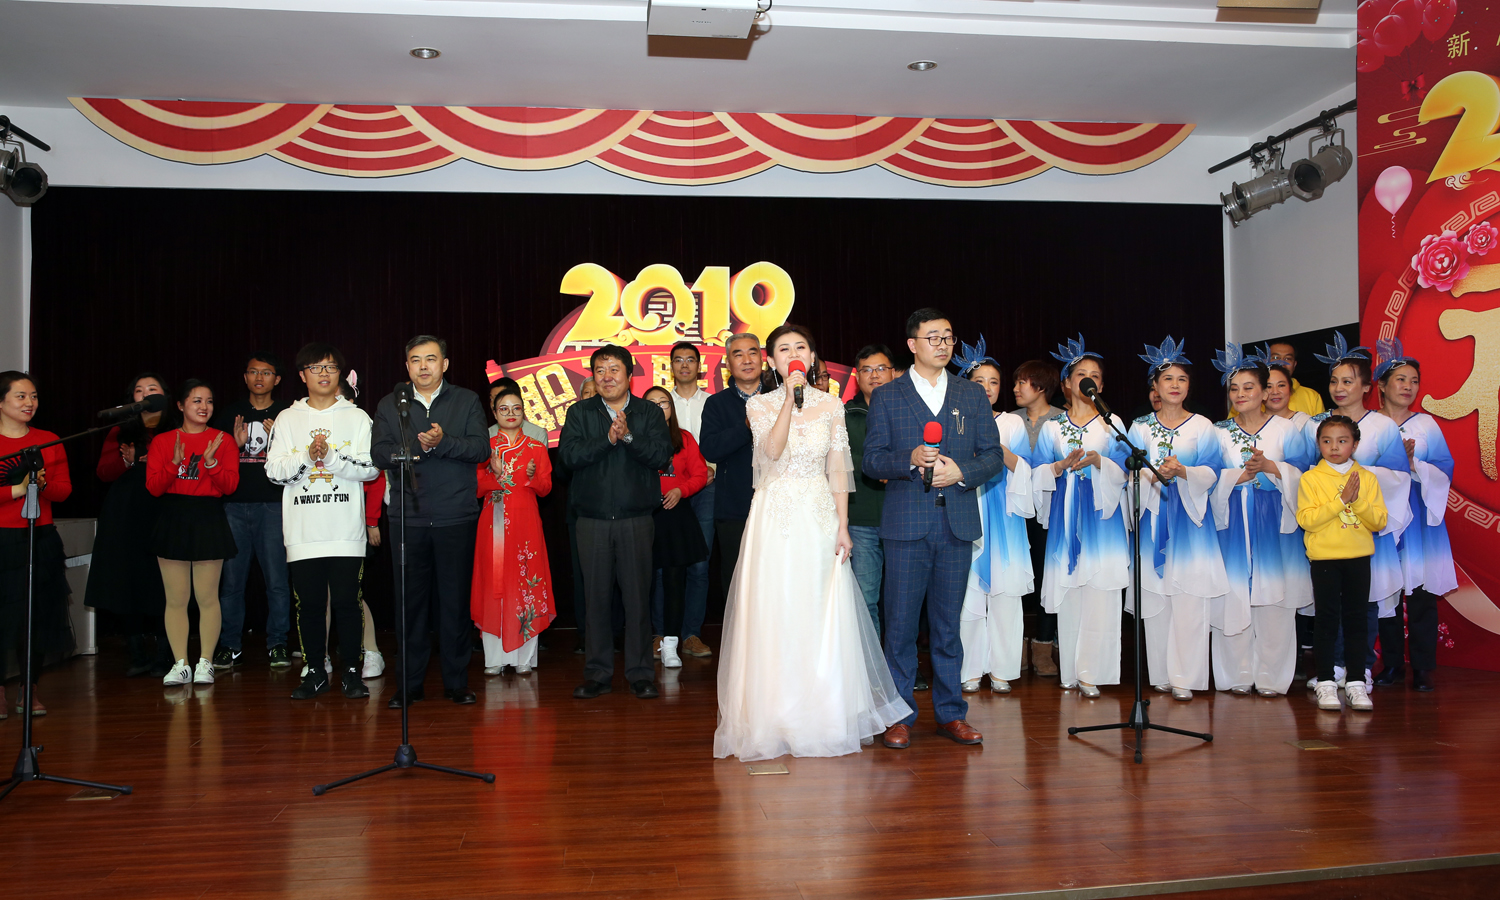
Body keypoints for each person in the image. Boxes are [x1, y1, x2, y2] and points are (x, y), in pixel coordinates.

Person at [715, 323, 909, 759]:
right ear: (772, 361)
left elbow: (838, 468)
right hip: (774, 516)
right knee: (775, 609)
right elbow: (771, 453)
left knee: (821, 608)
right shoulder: (759, 405)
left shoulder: (832, 406)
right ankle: (774, 714)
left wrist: (843, 525)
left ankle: (825, 712)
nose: (793, 355)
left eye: (800, 347)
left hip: (820, 514)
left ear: (813, 356)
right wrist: (788, 399)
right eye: (784, 349)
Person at [863, 309, 1004, 749]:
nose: (942, 345)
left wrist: (961, 471)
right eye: (933, 338)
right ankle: (898, 715)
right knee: (900, 627)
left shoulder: (971, 394)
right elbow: (872, 461)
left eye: (948, 337)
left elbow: (993, 456)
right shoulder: (888, 396)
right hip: (905, 527)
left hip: (956, 524)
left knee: (947, 627)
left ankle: (951, 714)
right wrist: (908, 459)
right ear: (912, 344)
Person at [371, 335, 491, 707]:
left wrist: (443, 442)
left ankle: (456, 682)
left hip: (456, 516)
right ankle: (409, 685)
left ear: (444, 364)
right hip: (408, 518)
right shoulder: (391, 404)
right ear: (407, 366)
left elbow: (481, 448)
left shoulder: (466, 400)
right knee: (410, 606)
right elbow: (378, 453)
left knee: (454, 604)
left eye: (431, 359)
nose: (423, 366)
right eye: (416, 360)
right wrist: (414, 450)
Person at [265, 344, 378, 700]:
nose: (324, 374)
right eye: (315, 368)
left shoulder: (357, 418)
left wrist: (330, 457)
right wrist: (306, 456)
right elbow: (273, 471)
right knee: (310, 605)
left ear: (340, 374)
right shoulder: (287, 419)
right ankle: (315, 670)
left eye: (330, 367)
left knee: (347, 602)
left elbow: (371, 468)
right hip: (303, 532)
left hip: (345, 531)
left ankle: (351, 673)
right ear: (302, 375)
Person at [559, 345, 673, 700]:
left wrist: (627, 436)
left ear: (629, 375)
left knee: (638, 598)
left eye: (614, 370)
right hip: (591, 520)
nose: (606, 377)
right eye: (600, 370)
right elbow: (569, 456)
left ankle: (640, 673)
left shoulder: (648, 412)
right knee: (595, 599)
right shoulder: (579, 412)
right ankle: (597, 673)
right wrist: (607, 439)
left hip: (636, 519)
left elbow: (661, 455)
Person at [1303, 334, 1411, 687]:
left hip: (1366, 526)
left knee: (1363, 599)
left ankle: (1359, 665)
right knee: (1329, 602)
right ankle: (1331, 666)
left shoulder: (1382, 426)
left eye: (1347, 381)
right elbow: (1305, 472)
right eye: (1334, 381)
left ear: (1366, 387)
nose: (1339, 388)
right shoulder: (1315, 425)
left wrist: (1358, 479)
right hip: (1326, 527)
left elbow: (1399, 475)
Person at [1122, 339, 1228, 702]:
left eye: (1182, 379)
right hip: (1153, 518)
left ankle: (1186, 677)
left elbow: (1213, 471)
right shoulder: (1139, 428)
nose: (1175, 385)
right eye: (1167, 378)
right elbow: (1128, 471)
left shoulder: (1203, 426)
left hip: (1191, 521)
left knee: (1190, 597)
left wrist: (1183, 471)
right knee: (1157, 598)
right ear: (1155, 385)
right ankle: (1162, 674)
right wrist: (1152, 475)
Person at [1030, 336, 1130, 699]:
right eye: (1081, 375)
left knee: (1101, 594)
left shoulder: (1112, 423)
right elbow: (1036, 472)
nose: (1089, 380)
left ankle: (1093, 673)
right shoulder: (1053, 428)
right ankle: (1071, 671)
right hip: (1066, 517)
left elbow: (1126, 470)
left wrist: (1100, 461)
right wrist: (1058, 466)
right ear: (1067, 384)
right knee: (1070, 594)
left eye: (1095, 376)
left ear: (1100, 386)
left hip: (1102, 519)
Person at [1210, 346, 1312, 697]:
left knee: (1275, 601)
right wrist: (1238, 476)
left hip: (1275, 522)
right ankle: (1235, 675)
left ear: (1265, 392)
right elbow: (1208, 475)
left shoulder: (1287, 429)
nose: (1240, 394)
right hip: (1233, 522)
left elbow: (1304, 473)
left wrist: (1270, 467)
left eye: (1249, 387)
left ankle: (1271, 677)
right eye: (1234, 388)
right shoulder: (1218, 432)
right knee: (1233, 595)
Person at [1374, 340, 1456, 692]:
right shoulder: (1369, 424)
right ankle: (1392, 664)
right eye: (1401, 379)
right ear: (1381, 385)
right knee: (1386, 590)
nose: (1408, 387)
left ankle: (1422, 668)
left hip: (1419, 515)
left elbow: (1444, 467)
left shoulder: (1426, 424)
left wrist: (1413, 465)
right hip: (1381, 516)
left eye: (1414, 381)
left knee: (1420, 593)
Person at [952, 338, 1033, 695]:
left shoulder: (1012, 423)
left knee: (1006, 595)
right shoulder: (954, 419)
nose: (987, 388)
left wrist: (997, 451)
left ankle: (1002, 670)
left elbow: (1028, 470)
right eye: (979, 381)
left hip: (1004, 514)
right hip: (965, 510)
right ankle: (969, 669)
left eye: (994, 382)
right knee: (965, 596)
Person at [146, 379, 239, 687]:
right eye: (197, 400)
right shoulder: (163, 441)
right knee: (176, 599)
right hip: (173, 517)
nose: (204, 407)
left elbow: (230, 486)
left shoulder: (224, 440)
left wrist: (211, 463)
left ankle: (206, 662)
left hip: (208, 517)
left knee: (207, 597)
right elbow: (153, 487)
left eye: (209, 401)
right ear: (180, 405)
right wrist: (174, 464)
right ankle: (181, 664)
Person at [87, 373, 178, 678]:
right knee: (128, 580)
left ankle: (166, 654)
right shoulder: (119, 429)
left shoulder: (177, 428)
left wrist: (158, 462)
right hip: (127, 513)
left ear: (165, 395)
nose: (145, 394)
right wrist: (127, 462)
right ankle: (137, 654)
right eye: (139, 390)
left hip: (166, 510)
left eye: (152, 389)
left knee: (165, 583)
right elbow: (103, 472)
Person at [209, 352, 294, 672]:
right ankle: (230, 645)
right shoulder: (229, 413)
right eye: (253, 372)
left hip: (274, 505)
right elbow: (213, 460)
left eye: (267, 372)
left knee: (277, 580)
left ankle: (278, 643)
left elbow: (299, 458)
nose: (259, 378)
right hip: (233, 505)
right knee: (231, 583)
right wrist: (234, 444)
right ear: (245, 377)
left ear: (277, 379)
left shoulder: (287, 414)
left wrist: (277, 441)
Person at [1298, 415, 1387, 712]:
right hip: (1325, 558)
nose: (1334, 447)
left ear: (1355, 444)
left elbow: (1379, 521)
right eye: (1327, 441)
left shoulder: (1367, 478)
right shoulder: (1311, 479)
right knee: (1325, 620)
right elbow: (1307, 520)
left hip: (1358, 558)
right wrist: (1341, 501)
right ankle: (1325, 681)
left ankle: (1356, 682)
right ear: (1319, 444)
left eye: (1342, 440)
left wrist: (1355, 500)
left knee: (1356, 620)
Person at [0, 372, 73, 719]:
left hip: (39, 537)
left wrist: (41, 485)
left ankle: (29, 688)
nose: (29, 403)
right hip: (2, 538)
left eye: (34, 396)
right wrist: (17, 489)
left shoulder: (49, 440)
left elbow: (64, 491)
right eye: (21, 396)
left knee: (37, 617)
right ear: (1, 402)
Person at [473, 384, 555, 676]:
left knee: (526, 584)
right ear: (494, 413)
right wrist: (495, 475)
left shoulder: (536, 447)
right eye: (504, 409)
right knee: (494, 583)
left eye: (516, 409)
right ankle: (494, 659)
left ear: (523, 413)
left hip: (526, 523)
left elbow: (546, 487)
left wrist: (532, 477)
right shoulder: (483, 447)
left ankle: (524, 658)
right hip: (493, 523)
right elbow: (475, 487)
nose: (510, 414)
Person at [644, 385, 708, 668]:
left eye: (664, 403)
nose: (659, 408)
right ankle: (651, 638)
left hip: (675, 515)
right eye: (652, 403)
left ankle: (671, 644)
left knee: (673, 581)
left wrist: (681, 490)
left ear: (671, 408)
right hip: (643, 517)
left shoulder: (684, 438)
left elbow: (700, 474)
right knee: (644, 582)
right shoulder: (635, 440)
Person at [699, 333, 764, 607]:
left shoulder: (780, 398)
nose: (747, 360)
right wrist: (746, 428)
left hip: (777, 504)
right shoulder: (717, 404)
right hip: (733, 508)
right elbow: (710, 449)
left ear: (762, 359)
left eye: (753, 352)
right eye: (738, 354)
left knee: (773, 579)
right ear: (728, 363)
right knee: (737, 581)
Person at [1011, 360, 1064, 678]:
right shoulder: (1010, 419)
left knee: (1048, 576)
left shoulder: (1061, 420)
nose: (1015, 388)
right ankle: (1015, 646)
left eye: (1022, 382)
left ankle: (1044, 645)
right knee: (1016, 578)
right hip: (1014, 510)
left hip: (1050, 510)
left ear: (1041, 387)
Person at [666, 341, 715, 659]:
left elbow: (721, 444)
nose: (684, 365)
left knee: (700, 564)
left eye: (690, 360)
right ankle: (662, 634)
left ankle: (691, 634)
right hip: (669, 491)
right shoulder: (660, 402)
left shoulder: (712, 402)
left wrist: (713, 470)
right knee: (665, 565)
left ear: (700, 366)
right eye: (678, 360)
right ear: (670, 365)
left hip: (706, 488)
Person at [846, 344, 896, 638]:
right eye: (866, 370)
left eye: (880, 369)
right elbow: (839, 461)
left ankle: (901, 659)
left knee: (903, 601)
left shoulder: (909, 411)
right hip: (862, 518)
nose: (874, 375)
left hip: (904, 517)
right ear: (857, 376)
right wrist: (877, 467)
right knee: (866, 599)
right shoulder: (845, 415)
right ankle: (872, 662)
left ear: (894, 373)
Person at [1266, 342, 1326, 417]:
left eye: (1287, 358)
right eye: (1276, 358)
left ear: (1294, 364)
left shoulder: (1311, 396)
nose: (1281, 363)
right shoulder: (1257, 396)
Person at [486, 377, 549, 444]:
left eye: (498, 398)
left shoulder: (537, 433)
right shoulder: (487, 434)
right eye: (491, 399)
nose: (493, 405)